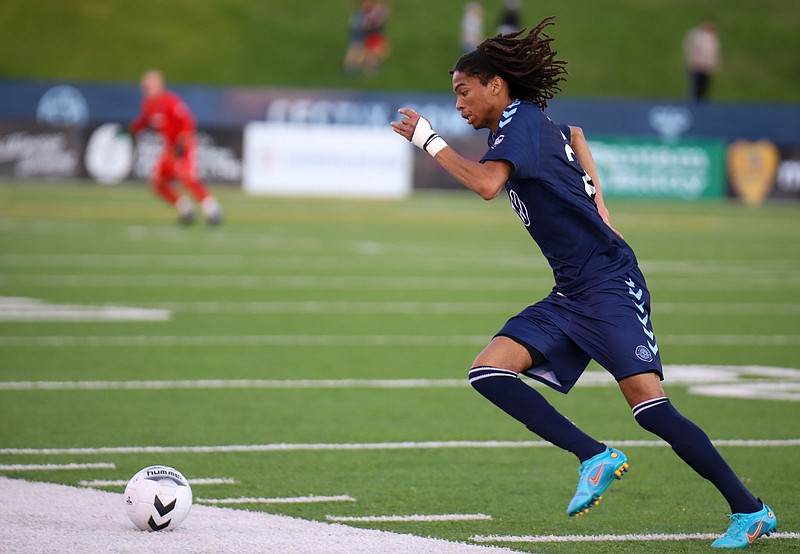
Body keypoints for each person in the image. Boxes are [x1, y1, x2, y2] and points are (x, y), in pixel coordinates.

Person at [391, 16, 775, 549]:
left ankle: (750, 510)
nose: (459, 105)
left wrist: (427, 138)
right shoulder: (524, 124)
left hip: (609, 285)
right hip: (573, 291)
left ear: (495, 86)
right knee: (488, 371)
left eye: (463, 92)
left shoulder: (518, 122)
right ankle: (594, 454)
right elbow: (575, 138)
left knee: (651, 409)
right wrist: (598, 200)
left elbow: (485, 184)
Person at [129, 69, 222, 225]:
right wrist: (131, 130)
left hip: (183, 144)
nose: (146, 88)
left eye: (150, 84)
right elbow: (144, 122)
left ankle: (213, 210)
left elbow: (187, 122)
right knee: (158, 183)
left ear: (159, 85)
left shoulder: (170, 101)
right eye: (145, 85)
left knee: (187, 177)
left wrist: (183, 142)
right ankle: (186, 210)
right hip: (169, 148)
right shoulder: (148, 105)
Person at [683, 21, 721, 102]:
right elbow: (691, 49)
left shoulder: (713, 39)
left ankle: (702, 106)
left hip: (706, 67)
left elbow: (713, 53)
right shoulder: (697, 36)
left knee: (704, 88)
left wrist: (712, 64)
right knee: (694, 87)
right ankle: (691, 104)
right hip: (696, 66)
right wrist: (693, 61)